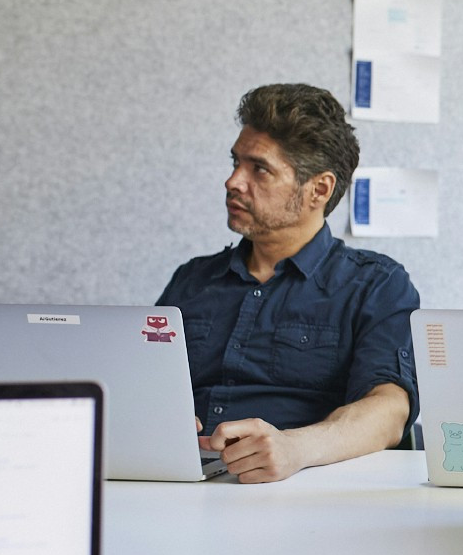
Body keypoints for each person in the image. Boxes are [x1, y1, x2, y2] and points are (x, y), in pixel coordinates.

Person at [159, 83, 420, 483]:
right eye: (235, 162)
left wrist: (295, 448)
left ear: (319, 189)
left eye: (258, 169)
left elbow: (389, 411)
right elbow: (141, 386)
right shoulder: (192, 280)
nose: (233, 181)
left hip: (299, 490)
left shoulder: (377, 284)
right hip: (174, 484)